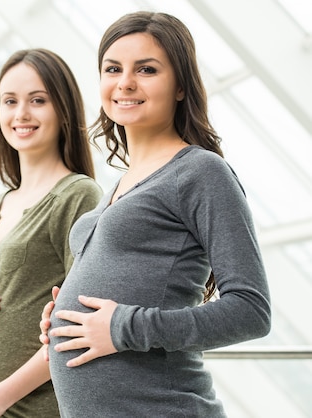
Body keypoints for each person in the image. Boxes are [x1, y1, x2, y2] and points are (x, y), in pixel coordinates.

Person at [39, 11, 272, 417]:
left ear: (181, 86)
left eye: (146, 69)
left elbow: (251, 310)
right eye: (113, 68)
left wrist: (122, 327)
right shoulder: (120, 182)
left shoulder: (199, 172)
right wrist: (66, 319)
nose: (125, 82)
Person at [0, 48, 102, 418]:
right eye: (9, 101)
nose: (21, 114)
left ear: (63, 109)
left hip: (35, 409)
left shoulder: (78, 195)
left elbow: (78, 324)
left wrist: (2, 396)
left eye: (38, 100)